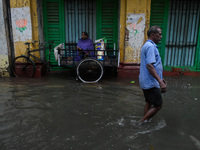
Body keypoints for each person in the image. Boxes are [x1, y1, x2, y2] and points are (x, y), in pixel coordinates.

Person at [139, 26, 167, 122]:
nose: (161, 37)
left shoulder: (148, 45)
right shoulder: (150, 46)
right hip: (150, 82)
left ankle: (145, 121)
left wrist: (160, 78)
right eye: (159, 34)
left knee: (149, 102)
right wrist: (160, 81)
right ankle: (141, 122)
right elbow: (150, 66)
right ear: (153, 35)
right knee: (158, 105)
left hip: (147, 81)